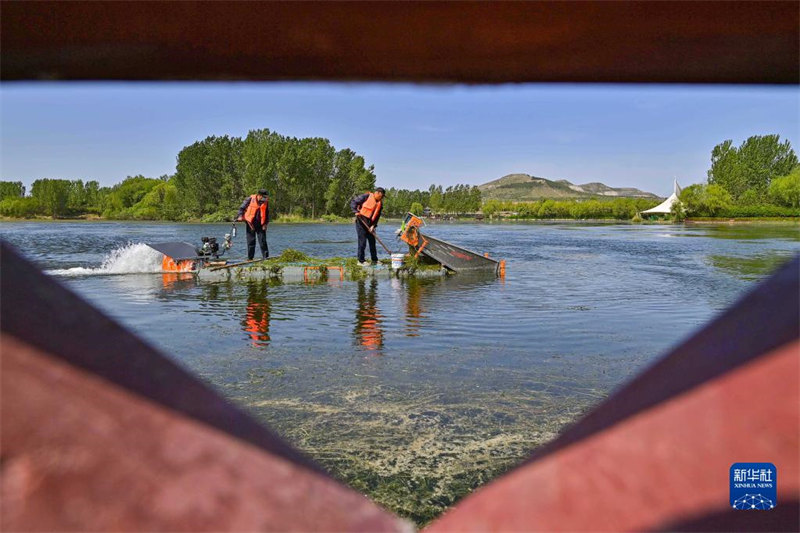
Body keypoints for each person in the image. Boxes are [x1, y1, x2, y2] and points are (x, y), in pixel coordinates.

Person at [350, 187, 385, 265]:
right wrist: (355, 211)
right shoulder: (366, 196)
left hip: (370, 225)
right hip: (361, 223)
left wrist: (373, 225)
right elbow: (353, 202)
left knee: (372, 242)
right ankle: (360, 261)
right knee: (362, 242)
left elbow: (377, 216)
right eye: (382, 196)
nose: (382, 198)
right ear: (378, 193)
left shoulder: (380, 203)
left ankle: (374, 260)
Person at [236, 189, 269, 260]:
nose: (265, 198)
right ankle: (250, 258)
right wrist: (240, 216)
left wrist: (265, 224)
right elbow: (241, 208)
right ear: (259, 195)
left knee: (263, 241)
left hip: (261, 224)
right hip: (250, 223)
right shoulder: (250, 199)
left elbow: (267, 213)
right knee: (251, 241)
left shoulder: (266, 202)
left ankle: (265, 257)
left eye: (266, 197)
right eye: (264, 197)